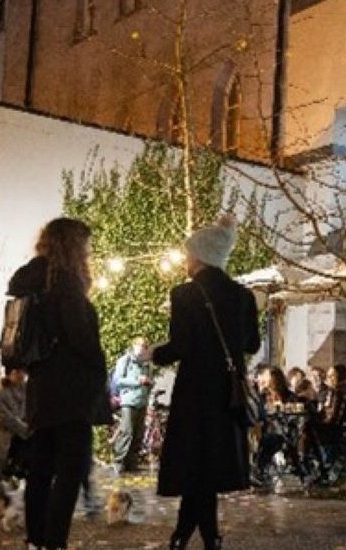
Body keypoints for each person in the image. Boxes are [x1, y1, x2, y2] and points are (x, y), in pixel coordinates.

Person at [151, 214, 261, 550]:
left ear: (200, 256)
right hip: (227, 394)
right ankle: (202, 536)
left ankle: (186, 535)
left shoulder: (184, 294)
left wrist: (155, 354)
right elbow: (252, 345)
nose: (186, 261)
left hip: (195, 393)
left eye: (189, 254)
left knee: (194, 466)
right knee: (208, 468)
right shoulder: (243, 296)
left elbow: (180, 346)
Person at [9, 218, 109, 550]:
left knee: (41, 468)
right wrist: (98, 368)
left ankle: (36, 540)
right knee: (72, 468)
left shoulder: (30, 280)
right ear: (72, 246)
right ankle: (55, 542)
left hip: (41, 389)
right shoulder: (64, 283)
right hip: (72, 390)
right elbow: (80, 337)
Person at [300, 364, 346, 480]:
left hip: (334, 429)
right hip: (328, 426)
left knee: (308, 428)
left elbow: (335, 417)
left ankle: (308, 460)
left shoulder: (340, 394)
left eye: (330, 376)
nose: (327, 379)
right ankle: (311, 460)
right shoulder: (330, 393)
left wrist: (321, 421)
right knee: (307, 427)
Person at [111, 338, 154, 472]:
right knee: (127, 432)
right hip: (128, 402)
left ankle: (132, 463)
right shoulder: (125, 360)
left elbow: (149, 382)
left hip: (142, 402)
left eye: (145, 346)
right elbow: (118, 380)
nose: (143, 348)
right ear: (134, 346)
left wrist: (149, 384)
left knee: (138, 434)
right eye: (141, 346)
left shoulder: (147, 364)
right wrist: (137, 380)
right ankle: (119, 462)